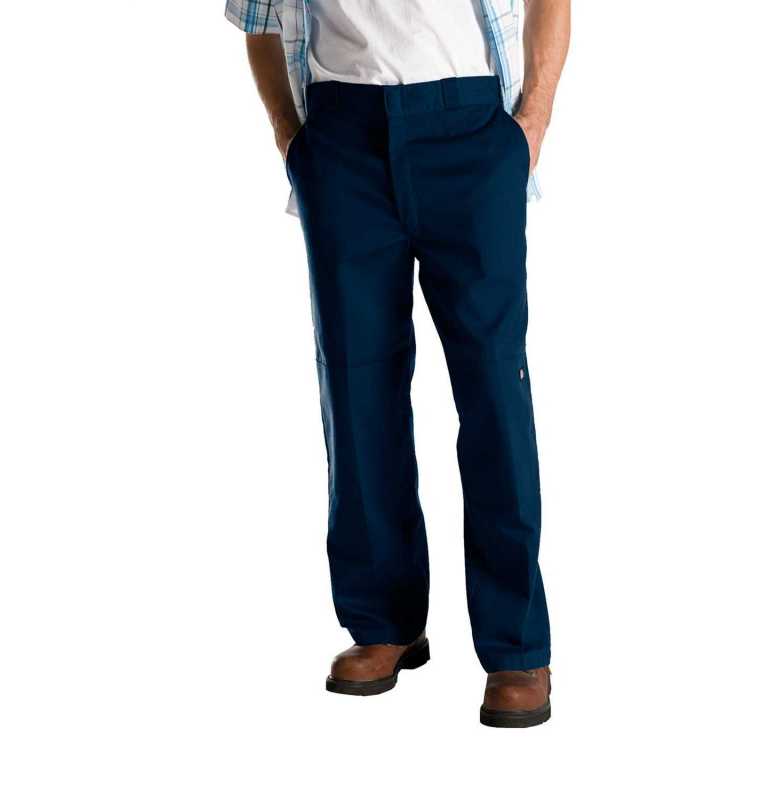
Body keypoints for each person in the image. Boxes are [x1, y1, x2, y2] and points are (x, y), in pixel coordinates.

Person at [225, 0, 570, 728]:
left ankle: (516, 648)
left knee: (494, 392)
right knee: (357, 389)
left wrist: (531, 123)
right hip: (342, 135)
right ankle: (383, 622)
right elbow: (259, 19)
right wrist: (291, 139)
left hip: (470, 127)